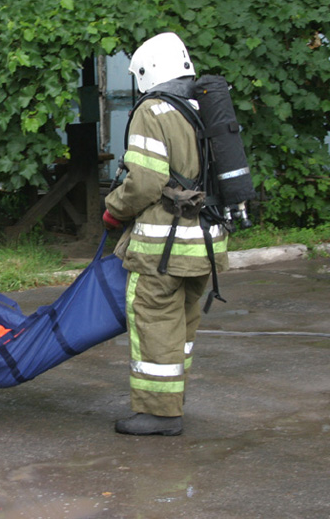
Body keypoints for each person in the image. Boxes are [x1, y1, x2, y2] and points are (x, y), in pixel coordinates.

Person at [103, 32, 229, 436]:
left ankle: (158, 413)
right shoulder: (202, 106)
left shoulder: (154, 110)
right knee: (183, 327)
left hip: (162, 246)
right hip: (205, 245)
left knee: (154, 321)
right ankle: (171, 401)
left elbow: (144, 182)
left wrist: (113, 209)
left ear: (147, 71)